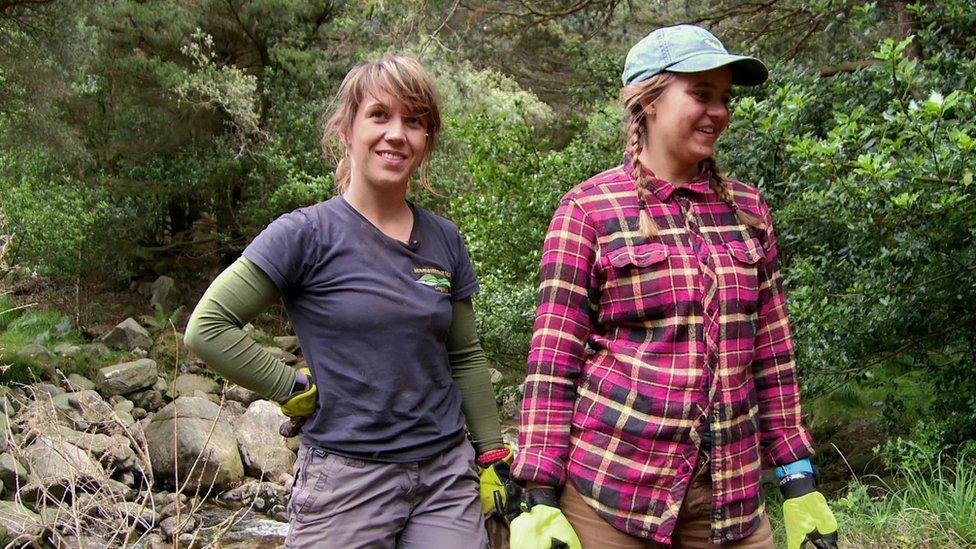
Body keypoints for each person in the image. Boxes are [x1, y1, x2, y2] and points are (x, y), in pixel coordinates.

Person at [510, 25, 839, 549]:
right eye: (701, 94)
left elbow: (772, 356)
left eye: (725, 97)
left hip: (731, 504)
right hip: (612, 498)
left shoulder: (748, 212)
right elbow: (554, 362)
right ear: (648, 101)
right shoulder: (589, 211)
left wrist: (798, 481)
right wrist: (537, 495)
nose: (719, 112)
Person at [184, 54, 510, 549]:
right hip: (345, 480)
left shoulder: (444, 239)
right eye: (380, 115)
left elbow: (464, 356)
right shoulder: (304, 234)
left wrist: (491, 457)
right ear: (347, 129)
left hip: (446, 477)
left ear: (426, 142)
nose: (397, 134)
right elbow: (207, 327)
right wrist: (289, 385)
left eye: (414, 121)